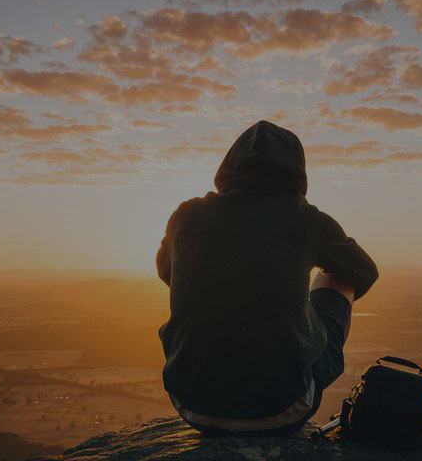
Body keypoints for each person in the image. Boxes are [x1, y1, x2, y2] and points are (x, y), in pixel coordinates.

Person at [155, 120, 379, 434]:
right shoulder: (305, 218)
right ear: (296, 171)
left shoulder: (186, 215)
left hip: (190, 403)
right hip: (281, 410)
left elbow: (168, 272)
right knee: (337, 278)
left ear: (229, 165)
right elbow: (363, 271)